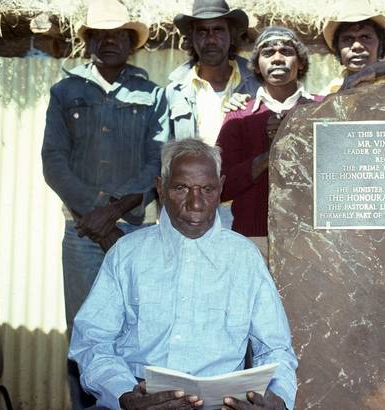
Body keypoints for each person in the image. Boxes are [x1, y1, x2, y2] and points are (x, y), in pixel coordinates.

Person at [69, 139, 298, 410]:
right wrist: (124, 395)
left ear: (221, 188)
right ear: (161, 188)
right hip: (138, 397)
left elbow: (276, 350)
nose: (196, 204)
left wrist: (278, 401)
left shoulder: (244, 258)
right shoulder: (127, 254)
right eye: (181, 188)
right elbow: (92, 341)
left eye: (207, 190)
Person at [41, 0, 167, 408]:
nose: (110, 41)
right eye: (101, 35)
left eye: (119, 35)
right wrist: (94, 212)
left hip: (135, 230)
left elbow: (157, 160)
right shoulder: (64, 93)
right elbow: (53, 160)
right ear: (89, 41)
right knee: (84, 330)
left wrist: (113, 211)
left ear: (132, 42)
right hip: (81, 233)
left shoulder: (153, 95)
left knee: (137, 327)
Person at [216, 27, 321, 255]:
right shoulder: (240, 114)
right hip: (252, 239)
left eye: (286, 51)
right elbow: (221, 186)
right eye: (268, 53)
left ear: (301, 62)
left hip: (313, 240)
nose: (277, 58)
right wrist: (269, 155)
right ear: (256, 66)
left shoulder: (321, 108)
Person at [166, 0, 261, 144]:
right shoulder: (174, 92)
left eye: (218, 30)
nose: (211, 39)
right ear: (191, 37)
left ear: (232, 35)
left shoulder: (258, 85)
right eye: (202, 31)